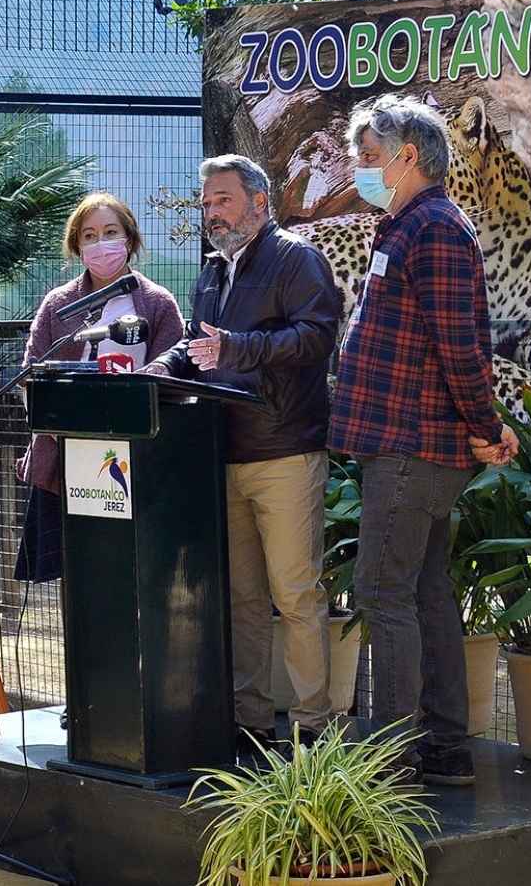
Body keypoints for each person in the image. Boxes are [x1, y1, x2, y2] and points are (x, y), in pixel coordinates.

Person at [328, 94, 519, 787]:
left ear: (409, 156)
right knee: (427, 592)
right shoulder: (405, 224)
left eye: (370, 157)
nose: (359, 169)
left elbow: (460, 347)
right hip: (407, 446)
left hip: (412, 449)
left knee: (384, 595)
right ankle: (444, 747)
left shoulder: (433, 226)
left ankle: (388, 757)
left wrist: (485, 426)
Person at [143, 156, 341, 755]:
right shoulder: (212, 271)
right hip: (221, 453)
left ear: (259, 201)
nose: (211, 213)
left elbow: (316, 337)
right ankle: (252, 723)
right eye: (205, 204)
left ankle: (313, 728)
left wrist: (239, 348)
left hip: (283, 451)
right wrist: (161, 367)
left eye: (222, 200)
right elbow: (197, 344)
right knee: (245, 599)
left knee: (295, 594)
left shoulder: (295, 259)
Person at [15, 192, 184, 582]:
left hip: (137, 462)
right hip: (64, 458)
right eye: (89, 235)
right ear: (77, 246)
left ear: (130, 239)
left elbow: (174, 376)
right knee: (78, 580)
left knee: (132, 574)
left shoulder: (158, 303)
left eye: (110, 232)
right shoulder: (58, 304)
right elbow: (30, 373)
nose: (100, 243)